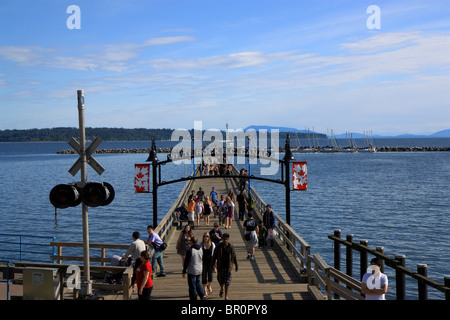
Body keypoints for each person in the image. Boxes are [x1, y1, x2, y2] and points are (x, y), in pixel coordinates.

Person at [211, 233, 238, 300]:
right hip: (220, 266)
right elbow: (214, 256)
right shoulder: (219, 246)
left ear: (228, 239)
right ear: (222, 239)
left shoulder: (231, 246)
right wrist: (212, 266)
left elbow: (234, 256)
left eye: (226, 239)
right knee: (220, 279)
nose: (225, 240)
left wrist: (236, 265)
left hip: (228, 266)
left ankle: (226, 295)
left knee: (227, 281)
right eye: (224, 239)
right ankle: (221, 288)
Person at [182, 236, 205, 300]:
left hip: (192, 270)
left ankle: (193, 298)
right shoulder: (200, 248)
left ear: (191, 242)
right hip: (200, 268)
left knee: (192, 286)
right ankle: (202, 295)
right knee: (198, 282)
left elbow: (186, 262)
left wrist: (184, 271)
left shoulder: (190, 250)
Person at [201, 232, 215, 297]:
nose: (205, 237)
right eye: (204, 236)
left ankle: (209, 286)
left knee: (210, 276)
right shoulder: (200, 244)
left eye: (207, 236)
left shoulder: (212, 244)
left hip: (210, 262)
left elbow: (214, 255)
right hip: (203, 262)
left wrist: (215, 264)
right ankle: (205, 290)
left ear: (209, 237)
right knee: (204, 276)